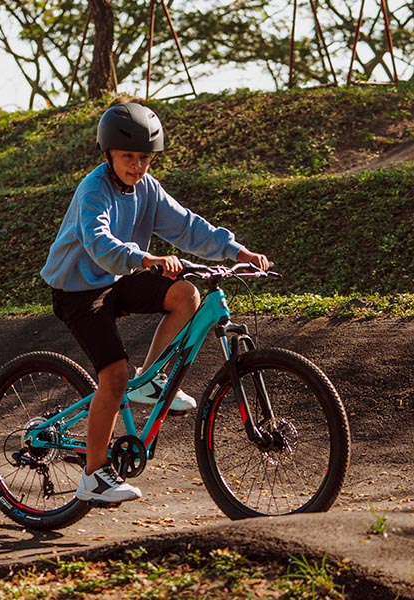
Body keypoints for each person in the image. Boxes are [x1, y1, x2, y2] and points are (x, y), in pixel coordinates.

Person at [40, 101, 269, 504]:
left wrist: (238, 252)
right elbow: (99, 242)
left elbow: (188, 226)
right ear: (108, 154)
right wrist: (145, 259)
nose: (137, 165)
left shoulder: (147, 189)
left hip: (118, 277)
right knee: (114, 376)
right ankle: (93, 475)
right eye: (128, 157)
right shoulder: (93, 189)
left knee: (186, 293)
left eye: (144, 158)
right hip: (78, 290)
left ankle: (149, 379)